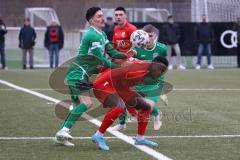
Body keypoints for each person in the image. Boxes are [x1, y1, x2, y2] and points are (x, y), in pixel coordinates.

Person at [53, 7, 129, 147]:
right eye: (99, 16)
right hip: (78, 74)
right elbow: (100, 59)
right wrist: (119, 68)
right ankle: (63, 131)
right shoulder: (91, 35)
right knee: (86, 103)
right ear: (91, 21)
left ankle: (62, 133)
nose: (102, 18)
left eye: (102, 15)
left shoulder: (102, 34)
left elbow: (112, 52)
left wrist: (127, 55)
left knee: (78, 104)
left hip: (80, 74)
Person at [91, 56, 169, 150]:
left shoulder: (148, 71)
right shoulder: (138, 69)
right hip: (103, 84)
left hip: (119, 86)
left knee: (145, 107)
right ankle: (98, 135)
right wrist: (93, 83)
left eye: (163, 70)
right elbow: (113, 72)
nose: (161, 73)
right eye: (160, 69)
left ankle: (140, 138)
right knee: (120, 106)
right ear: (154, 64)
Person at [112, 24, 168, 131]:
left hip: (155, 83)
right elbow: (127, 61)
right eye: (145, 35)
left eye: (150, 36)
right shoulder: (136, 48)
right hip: (140, 82)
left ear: (155, 36)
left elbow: (163, 67)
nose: (148, 39)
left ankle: (156, 114)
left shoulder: (162, 49)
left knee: (147, 107)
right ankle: (122, 124)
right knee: (126, 98)